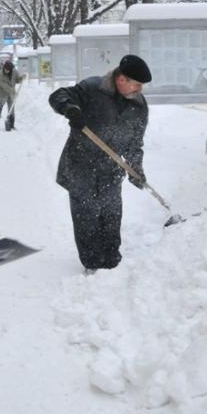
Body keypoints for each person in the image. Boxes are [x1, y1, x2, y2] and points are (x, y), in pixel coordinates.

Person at [48, 54, 151, 272]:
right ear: (121, 79)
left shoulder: (139, 107)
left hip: (111, 171)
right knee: (87, 218)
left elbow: (134, 144)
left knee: (111, 217)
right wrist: (70, 109)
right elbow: (58, 95)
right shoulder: (92, 89)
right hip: (80, 166)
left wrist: (135, 169)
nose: (139, 90)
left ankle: (112, 262)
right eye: (137, 84)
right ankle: (92, 265)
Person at [0, 60, 23, 131]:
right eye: (6, 69)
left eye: (8, 70)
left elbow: (17, 80)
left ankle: (12, 125)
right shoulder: (0, 74)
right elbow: (3, 85)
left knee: (11, 109)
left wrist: (21, 78)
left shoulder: (14, 71)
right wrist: (11, 90)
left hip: (11, 94)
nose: (7, 71)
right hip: (1, 94)